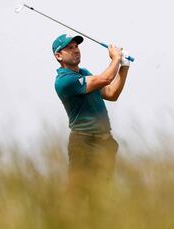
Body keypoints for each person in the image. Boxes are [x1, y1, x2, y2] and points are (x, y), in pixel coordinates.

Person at [52, 34, 130, 219]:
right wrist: (116, 59)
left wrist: (124, 66)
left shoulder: (84, 73)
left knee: (101, 196)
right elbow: (104, 79)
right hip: (83, 142)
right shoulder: (64, 81)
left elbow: (111, 93)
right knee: (77, 195)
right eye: (69, 48)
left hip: (104, 143)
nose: (75, 50)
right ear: (58, 56)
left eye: (76, 46)